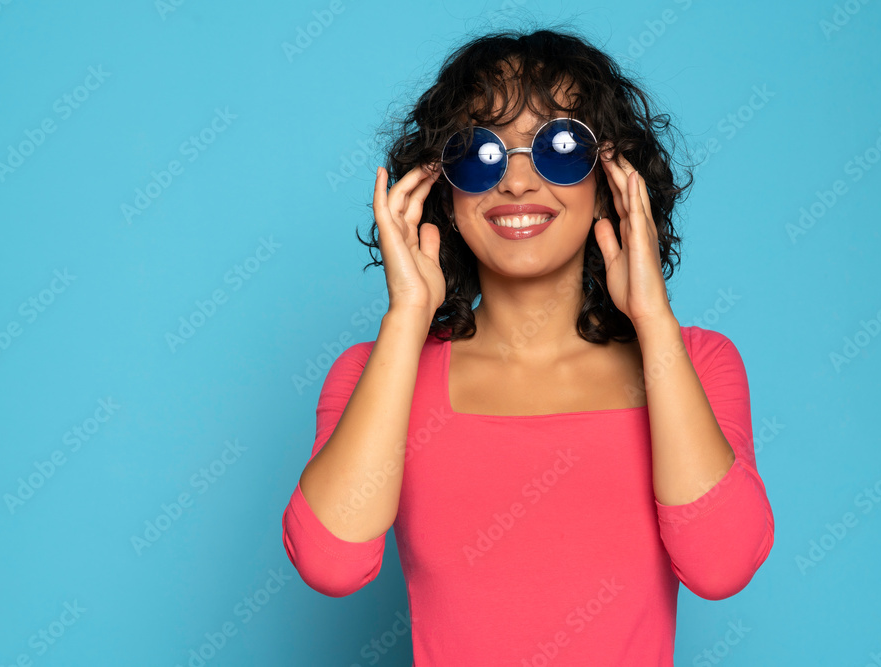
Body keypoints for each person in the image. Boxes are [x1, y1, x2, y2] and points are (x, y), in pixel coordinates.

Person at [282, 28, 774, 666]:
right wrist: (407, 317)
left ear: (610, 175)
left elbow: (722, 566)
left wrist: (652, 317)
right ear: (441, 187)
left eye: (559, 148)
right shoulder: (377, 373)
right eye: (480, 154)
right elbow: (332, 564)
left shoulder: (696, 363)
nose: (517, 183)